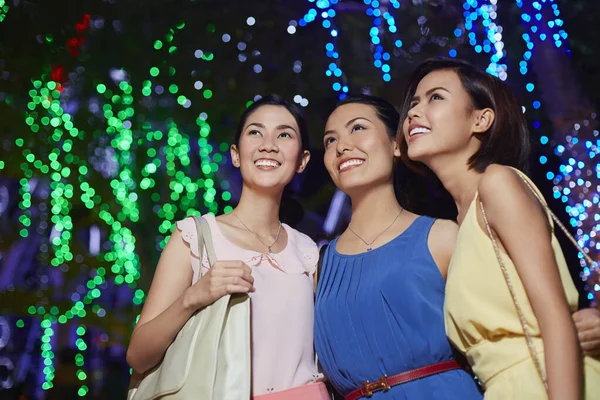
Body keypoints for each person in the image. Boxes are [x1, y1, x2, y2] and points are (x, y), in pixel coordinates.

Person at [398, 57, 600, 399]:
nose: (414, 112)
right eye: (414, 103)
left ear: (481, 119)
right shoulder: (459, 224)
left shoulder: (497, 183)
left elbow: (554, 318)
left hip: (547, 384)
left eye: (436, 98)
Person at [126, 95, 330, 399]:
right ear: (236, 154)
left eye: (284, 134)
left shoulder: (308, 252)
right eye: (255, 132)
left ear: (302, 160)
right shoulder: (195, 236)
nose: (268, 144)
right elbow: (139, 356)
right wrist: (193, 297)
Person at [314, 94, 483, 399]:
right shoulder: (320, 266)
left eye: (357, 128)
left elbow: (503, 324)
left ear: (396, 144)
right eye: (329, 140)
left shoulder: (442, 236)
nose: (341, 146)